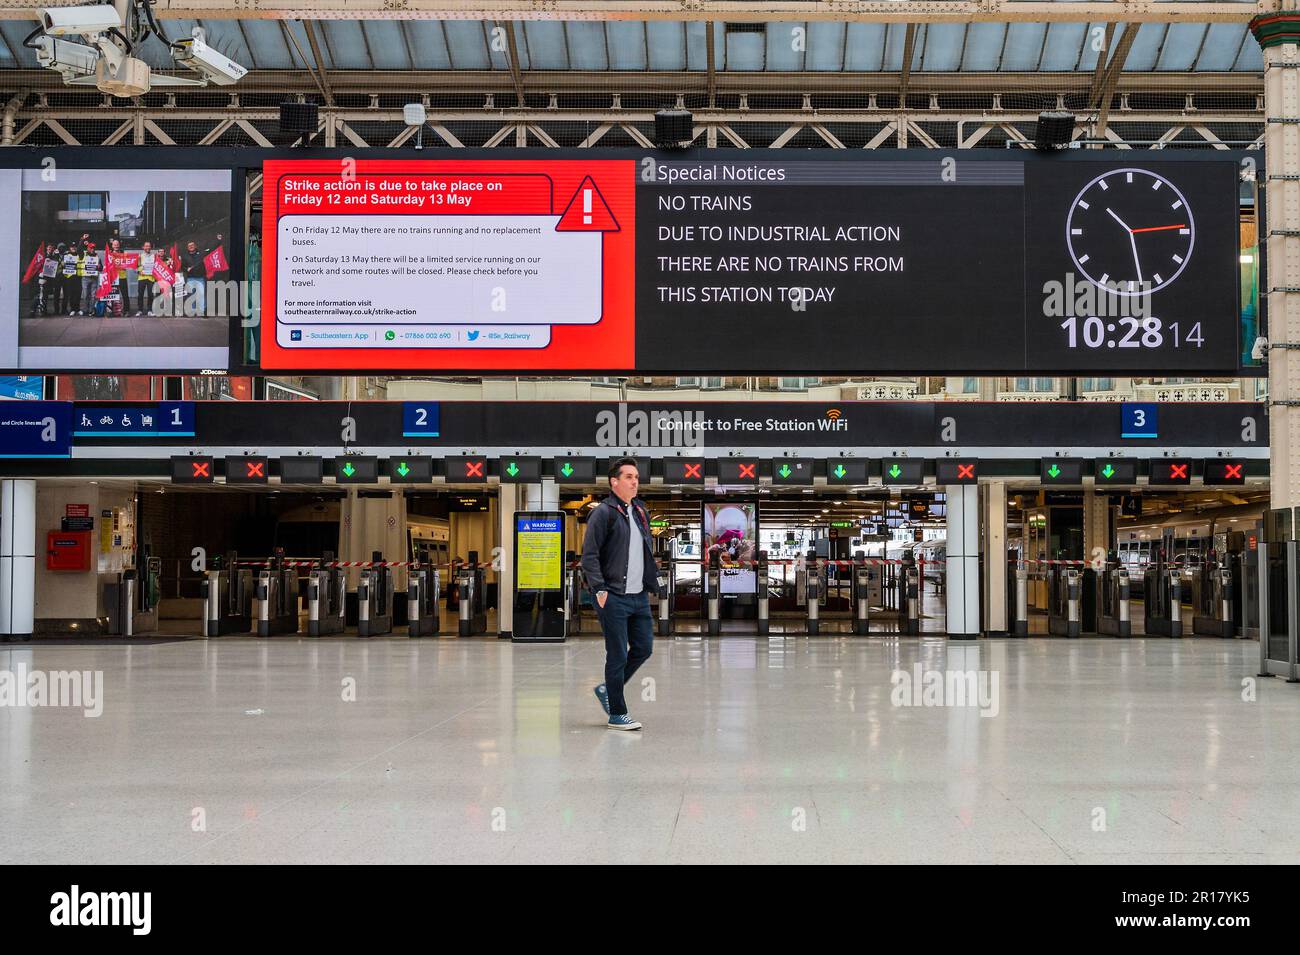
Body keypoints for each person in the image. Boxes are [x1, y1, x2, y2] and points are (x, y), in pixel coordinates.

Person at [580, 457, 659, 731]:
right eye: (628, 477)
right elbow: (589, 556)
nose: (635, 481)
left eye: (636, 476)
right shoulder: (603, 512)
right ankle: (617, 712)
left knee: (644, 648)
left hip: (638, 596)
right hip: (613, 595)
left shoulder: (640, 511)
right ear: (614, 482)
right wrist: (600, 589)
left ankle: (607, 691)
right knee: (617, 655)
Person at [181, 240, 207, 314]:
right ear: (187, 248)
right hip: (190, 278)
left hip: (200, 278)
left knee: (201, 294)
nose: (191, 247)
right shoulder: (185, 256)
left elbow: (211, 250)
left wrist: (218, 241)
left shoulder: (201, 254)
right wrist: (187, 269)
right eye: (189, 246)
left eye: (192, 245)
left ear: (195, 246)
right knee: (191, 295)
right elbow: (182, 267)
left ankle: (203, 311)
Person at [77, 239, 99, 317]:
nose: (92, 249)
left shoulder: (97, 256)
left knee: (93, 295)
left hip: (94, 278)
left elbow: (101, 268)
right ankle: (85, 310)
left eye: (93, 248)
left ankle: (91, 310)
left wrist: (99, 267)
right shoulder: (83, 254)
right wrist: (82, 239)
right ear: (88, 248)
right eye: (91, 248)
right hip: (85, 278)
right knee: (85, 295)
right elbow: (79, 249)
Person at [136, 241, 155, 315]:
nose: (147, 247)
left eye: (149, 246)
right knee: (140, 294)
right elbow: (136, 267)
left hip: (151, 278)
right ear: (143, 247)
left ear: (151, 247)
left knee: (150, 294)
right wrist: (139, 271)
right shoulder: (140, 256)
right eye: (146, 246)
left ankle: (150, 310)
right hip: (142, 277)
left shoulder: (154, 256)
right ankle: (140, 310)